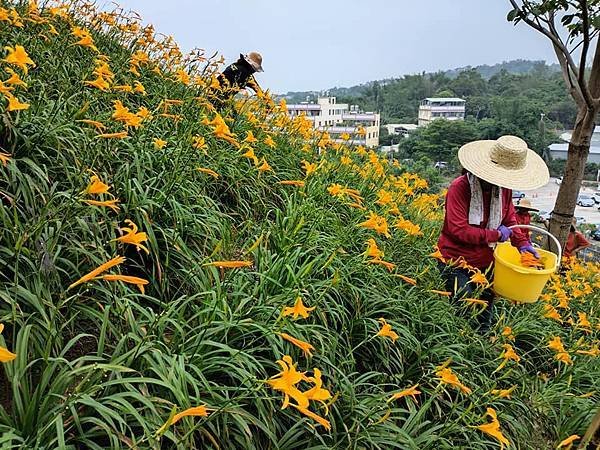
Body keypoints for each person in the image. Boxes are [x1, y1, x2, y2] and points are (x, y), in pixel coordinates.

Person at [437, 135, 549, 332]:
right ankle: (458, 349)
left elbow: (510, 221)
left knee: (485, 310)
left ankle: (481, 352)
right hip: (455, 260)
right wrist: (495, 236)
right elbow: (458, 230)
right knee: (464, 306)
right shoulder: (460, 187)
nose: (501, 181)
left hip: (487, 263)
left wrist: (523, 244)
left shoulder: (503, 190)